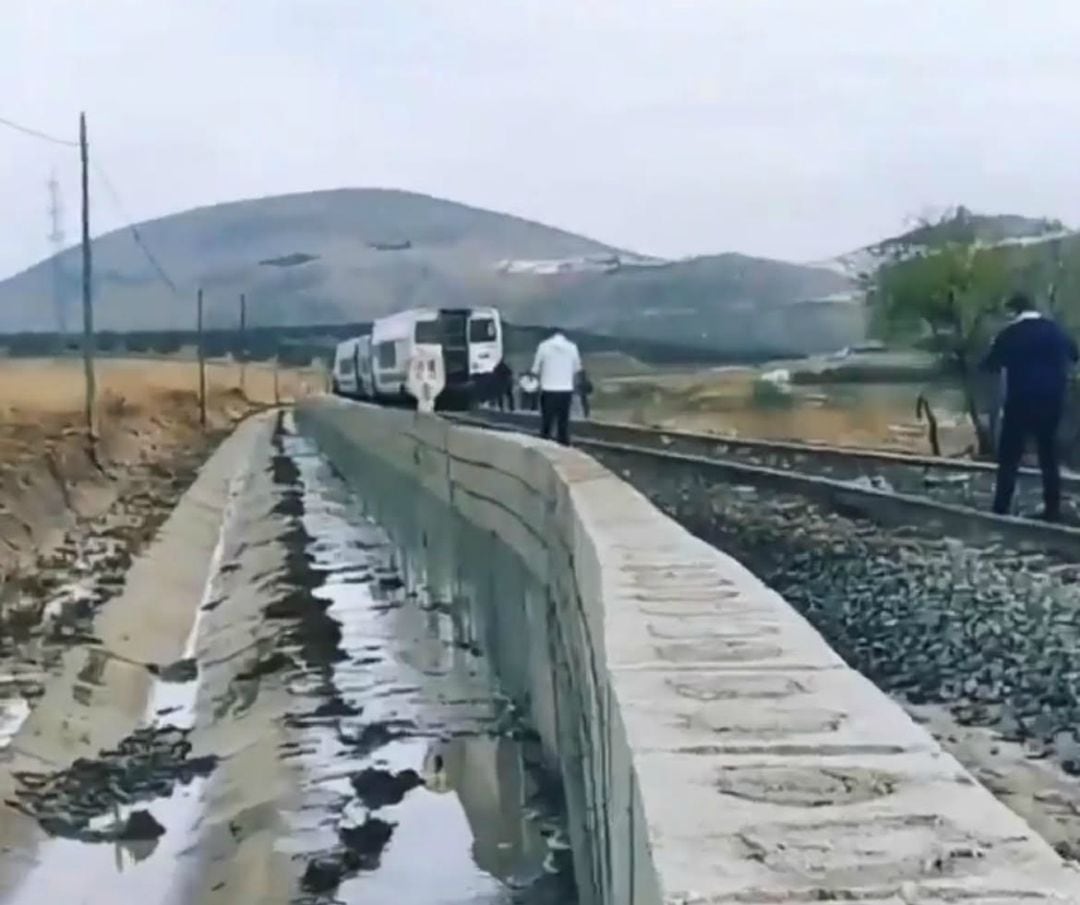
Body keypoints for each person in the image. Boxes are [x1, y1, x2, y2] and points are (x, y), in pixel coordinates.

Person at [981, 291, 1078, 521]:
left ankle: (1001, 509)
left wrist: (995, 348)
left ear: (1013, 311)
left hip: (1020, 402)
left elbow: (989, 365)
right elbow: (1075, 354)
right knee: (1048, 456)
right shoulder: (1055, 330)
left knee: (1009, 458)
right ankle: (1052, 509)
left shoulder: (1010, 333)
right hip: (1052, 401)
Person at [530, 329, 581, 445]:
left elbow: (535, 369)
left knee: (547, 423)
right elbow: (576, 368)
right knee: (563, 423)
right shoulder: (572, 347)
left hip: (548, 389)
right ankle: (563, 446)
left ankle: (544, 445)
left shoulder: (543, 346)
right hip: (566, 389)